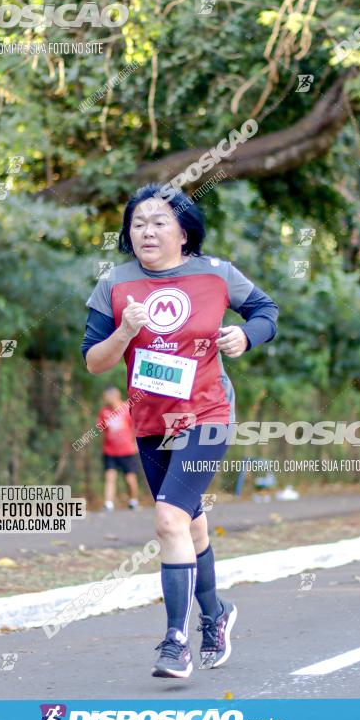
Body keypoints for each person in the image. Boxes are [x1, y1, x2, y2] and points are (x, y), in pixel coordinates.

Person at [81, 183, 278, 679]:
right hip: (151, 421)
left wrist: (245, 335)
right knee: (189, 524)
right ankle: (217, 615)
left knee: (168, 521)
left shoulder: (216, 275)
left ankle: (176, 642)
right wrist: (124, 331)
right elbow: (93, 362)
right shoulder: (114, 283)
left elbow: (266, 312)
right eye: (138, 222)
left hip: (208, 414)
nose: (146, 230)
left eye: (159, 221)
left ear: (184, 231)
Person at [97, 386, 140, 511]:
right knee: (110, 476)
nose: (105, 399)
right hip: (110, 450)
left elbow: (135, 427)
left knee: (129, 478)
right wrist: (103, 446)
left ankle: (133, 501)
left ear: (115, 396)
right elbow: (102, 431)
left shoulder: (127, 409)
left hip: (127, 450)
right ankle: (108, 503)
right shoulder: (104, 412)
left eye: (106, 397)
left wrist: (136, 443)